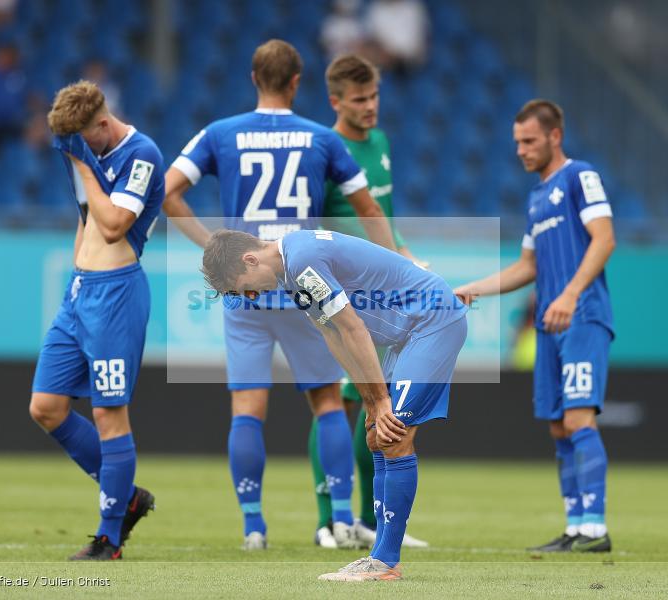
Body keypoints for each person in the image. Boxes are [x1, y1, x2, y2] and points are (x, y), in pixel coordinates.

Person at [163, 39, 397, 551]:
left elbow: (169, 191)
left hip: (245, 290)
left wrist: (215, 248)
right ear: (297, 83)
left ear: (253, 79)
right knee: (329, 402)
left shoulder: (220, 133)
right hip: (300, 285)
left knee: (247, 408)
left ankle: (253, 526)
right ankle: (339, 521)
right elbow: (369, 209)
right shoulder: (320, 139)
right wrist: (393, 270)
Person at [201, 229, 467, 581]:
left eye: (245, 288)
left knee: (394, 437)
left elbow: (354, 329)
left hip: (432, 322)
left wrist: (382, 399)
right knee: (376, 436)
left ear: (250, 260)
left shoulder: (302, 262)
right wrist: (372, 402)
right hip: (409, 334)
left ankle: (385, 562)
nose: (252, 297)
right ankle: (379, 558)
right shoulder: (292, 271)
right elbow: (333, 335)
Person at [455, 99, 616, 553]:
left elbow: (604, 239)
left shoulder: (579, 177)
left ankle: (595, 529)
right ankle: (576, 526)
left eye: (529, 141)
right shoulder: (536, 198)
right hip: (549, 324)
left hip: (582, 316)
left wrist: (569, 294)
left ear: (554, 137)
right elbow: (527, 265)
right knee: (558, 427)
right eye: (517, 143)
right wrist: (478, 288)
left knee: (578, 418)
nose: (521, 150)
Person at [28, 80, 165, 560]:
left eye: (82, 138)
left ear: (103, 125)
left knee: (109, 412)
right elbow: (85, 222)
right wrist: (75, 273)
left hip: (117, 297)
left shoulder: (141, 155)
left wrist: (83, 163)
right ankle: (126, 496)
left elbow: (112, 226)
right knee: (45, 406)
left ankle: (109, 537)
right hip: (80, 292)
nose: (73, 149)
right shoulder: (83, 148)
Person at [309, 53, 427, 550]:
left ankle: (367, 518)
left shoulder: (379, 143)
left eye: (374, 96)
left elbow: (383, 215)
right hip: (339, 294)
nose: (371, 107)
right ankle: (327, 520)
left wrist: (403, 257)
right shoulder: (325, 148)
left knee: (371, 401)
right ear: (336, 101)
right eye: (360, 100)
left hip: (381, 290)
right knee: (335, 401)